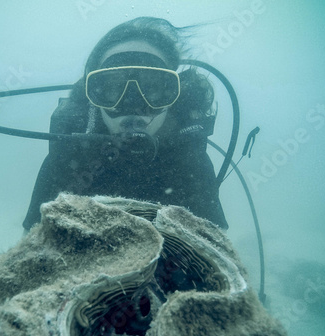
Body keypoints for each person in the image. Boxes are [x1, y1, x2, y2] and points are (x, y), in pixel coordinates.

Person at [23, 17, 228, 231]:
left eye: (153, 87)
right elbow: (34, 239)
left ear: (173, 94)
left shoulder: (189, 160)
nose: (133, 104)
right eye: (112, 88)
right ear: (93, 95)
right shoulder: (70, 156)